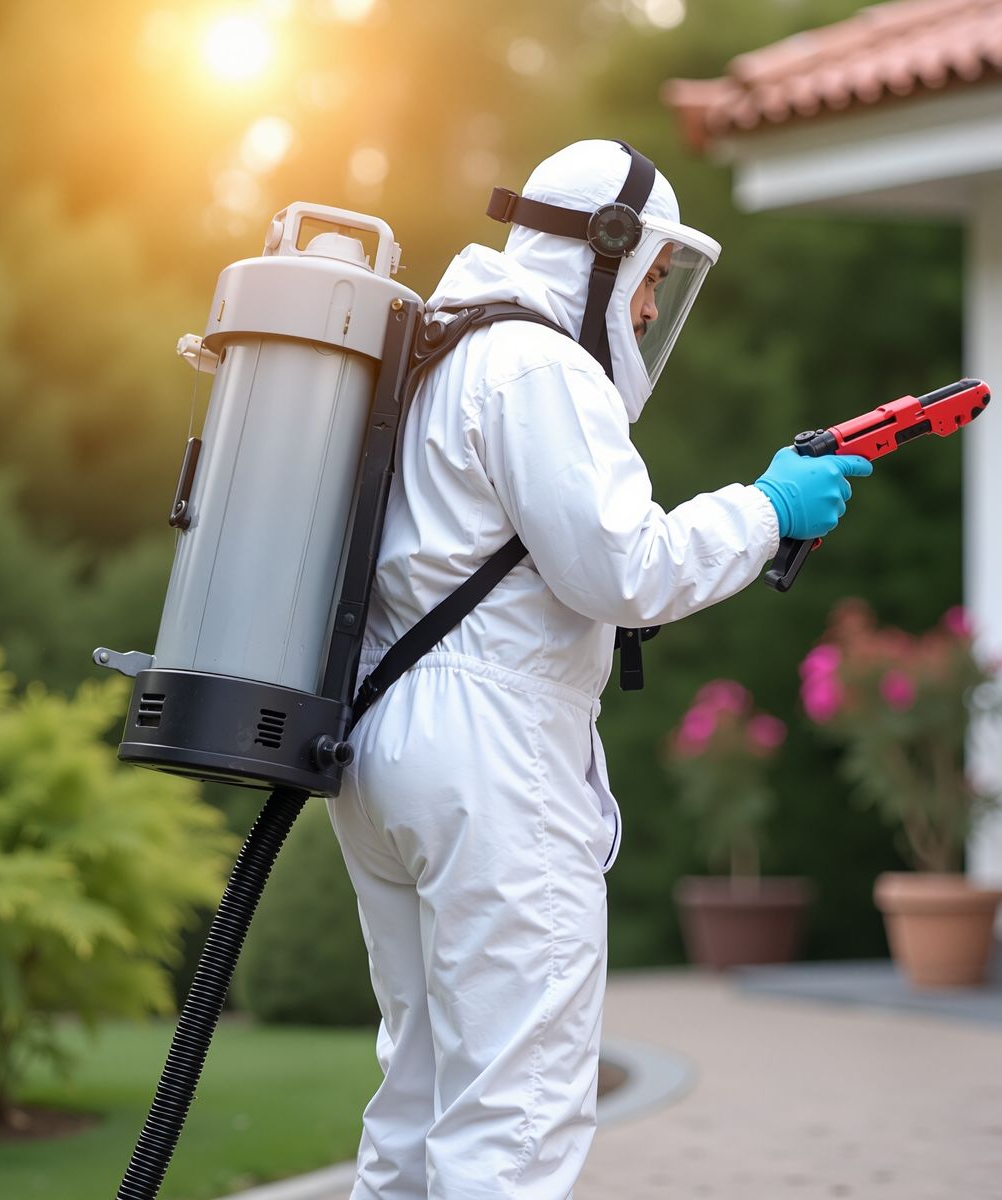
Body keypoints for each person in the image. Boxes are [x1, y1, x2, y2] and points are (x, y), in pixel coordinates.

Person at [331, 139, 871, 1199]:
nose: (649, 307)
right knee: (516, 1111)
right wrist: (768, 509)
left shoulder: (442, 351)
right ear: (603, 251)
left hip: (385, 739)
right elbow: (625, 569)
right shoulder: (538, 365)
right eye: (649, 278)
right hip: (491, 750)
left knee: (420, 1094)